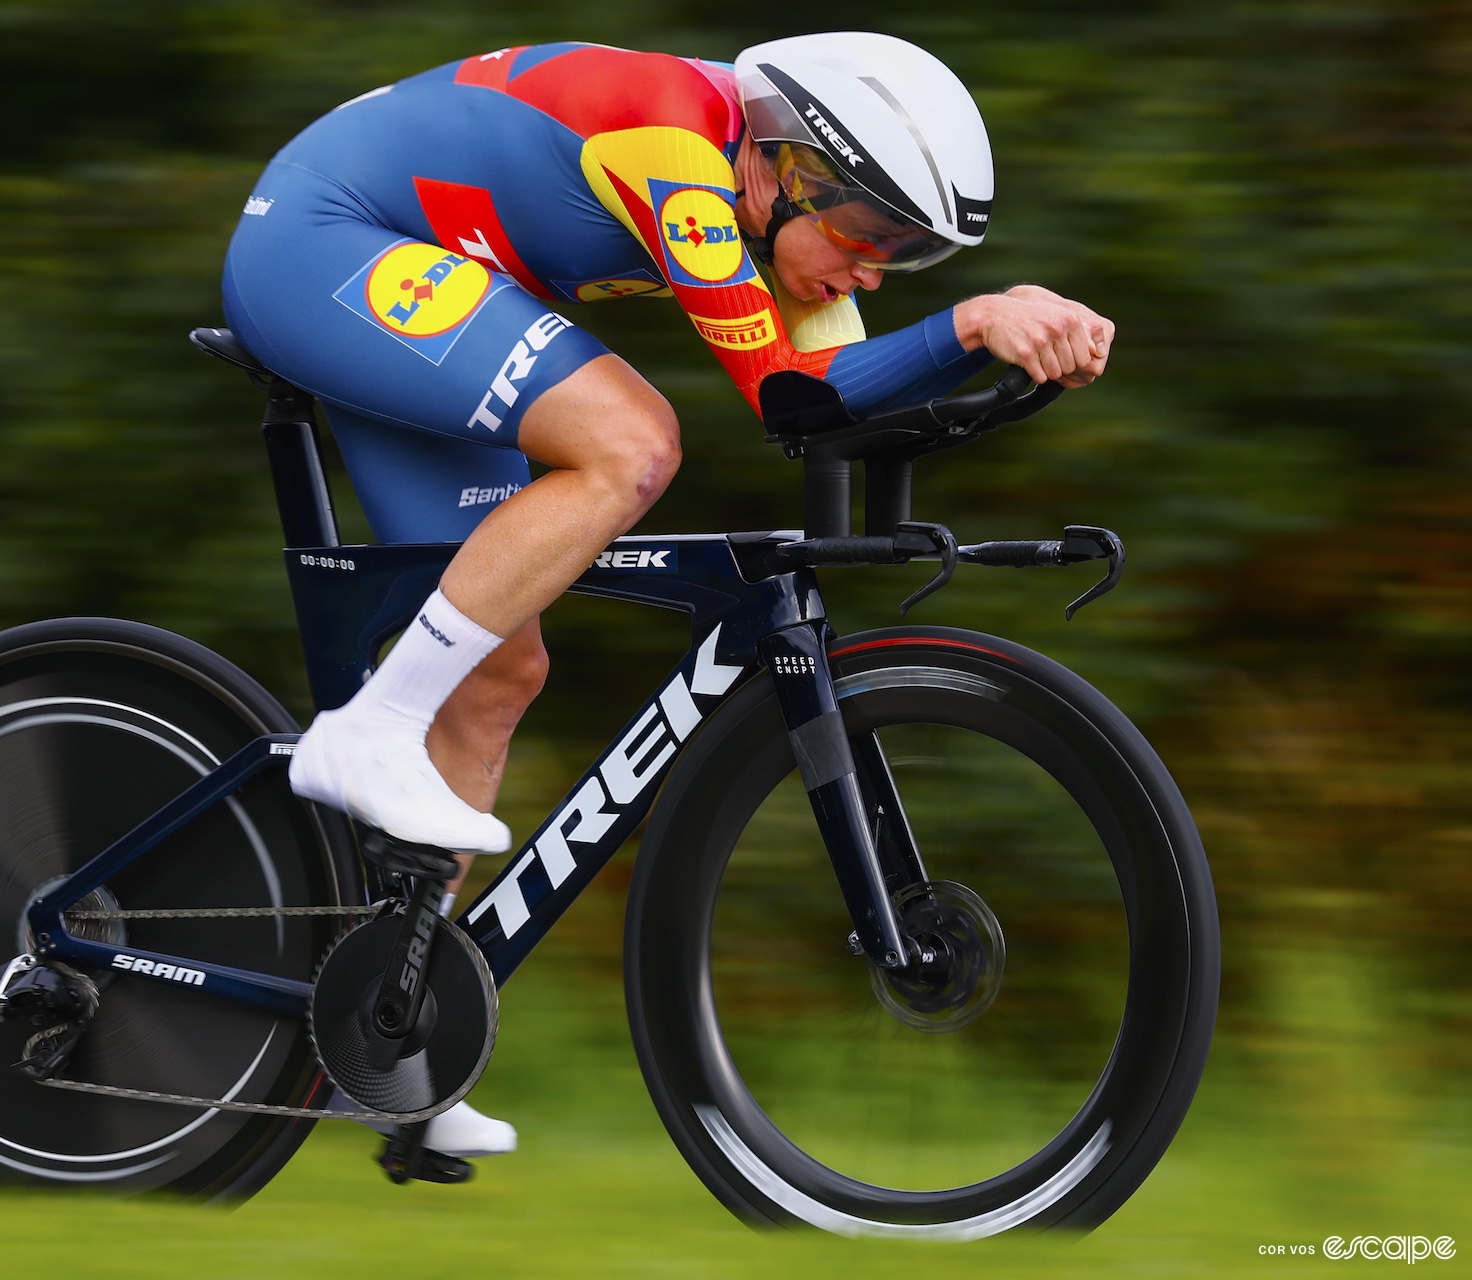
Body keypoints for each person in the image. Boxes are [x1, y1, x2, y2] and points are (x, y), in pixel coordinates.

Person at [221, 32, 1114, 1162]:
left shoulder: (785, 215)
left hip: (419, 269)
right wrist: (976, 322)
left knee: (498, 667)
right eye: (869, 232)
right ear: (786, 165)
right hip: (322, 242)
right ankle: (369, 733)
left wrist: (1006, 347)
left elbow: (837, 397)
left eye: (907, 254)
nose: (874, 270)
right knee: (632, 442)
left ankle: (395, 1040)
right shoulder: (674, 152)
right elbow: (785, 401)